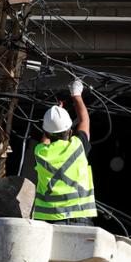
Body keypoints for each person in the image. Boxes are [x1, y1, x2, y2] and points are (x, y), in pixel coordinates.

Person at [33, 79, 97, 225]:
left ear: (46, 132)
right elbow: (85, 121)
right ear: (70, 130)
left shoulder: (40, 152)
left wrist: (55, 115)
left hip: (49, 221)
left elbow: (46, 139)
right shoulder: (77, 146)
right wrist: (76, 95)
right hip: (80, 218)